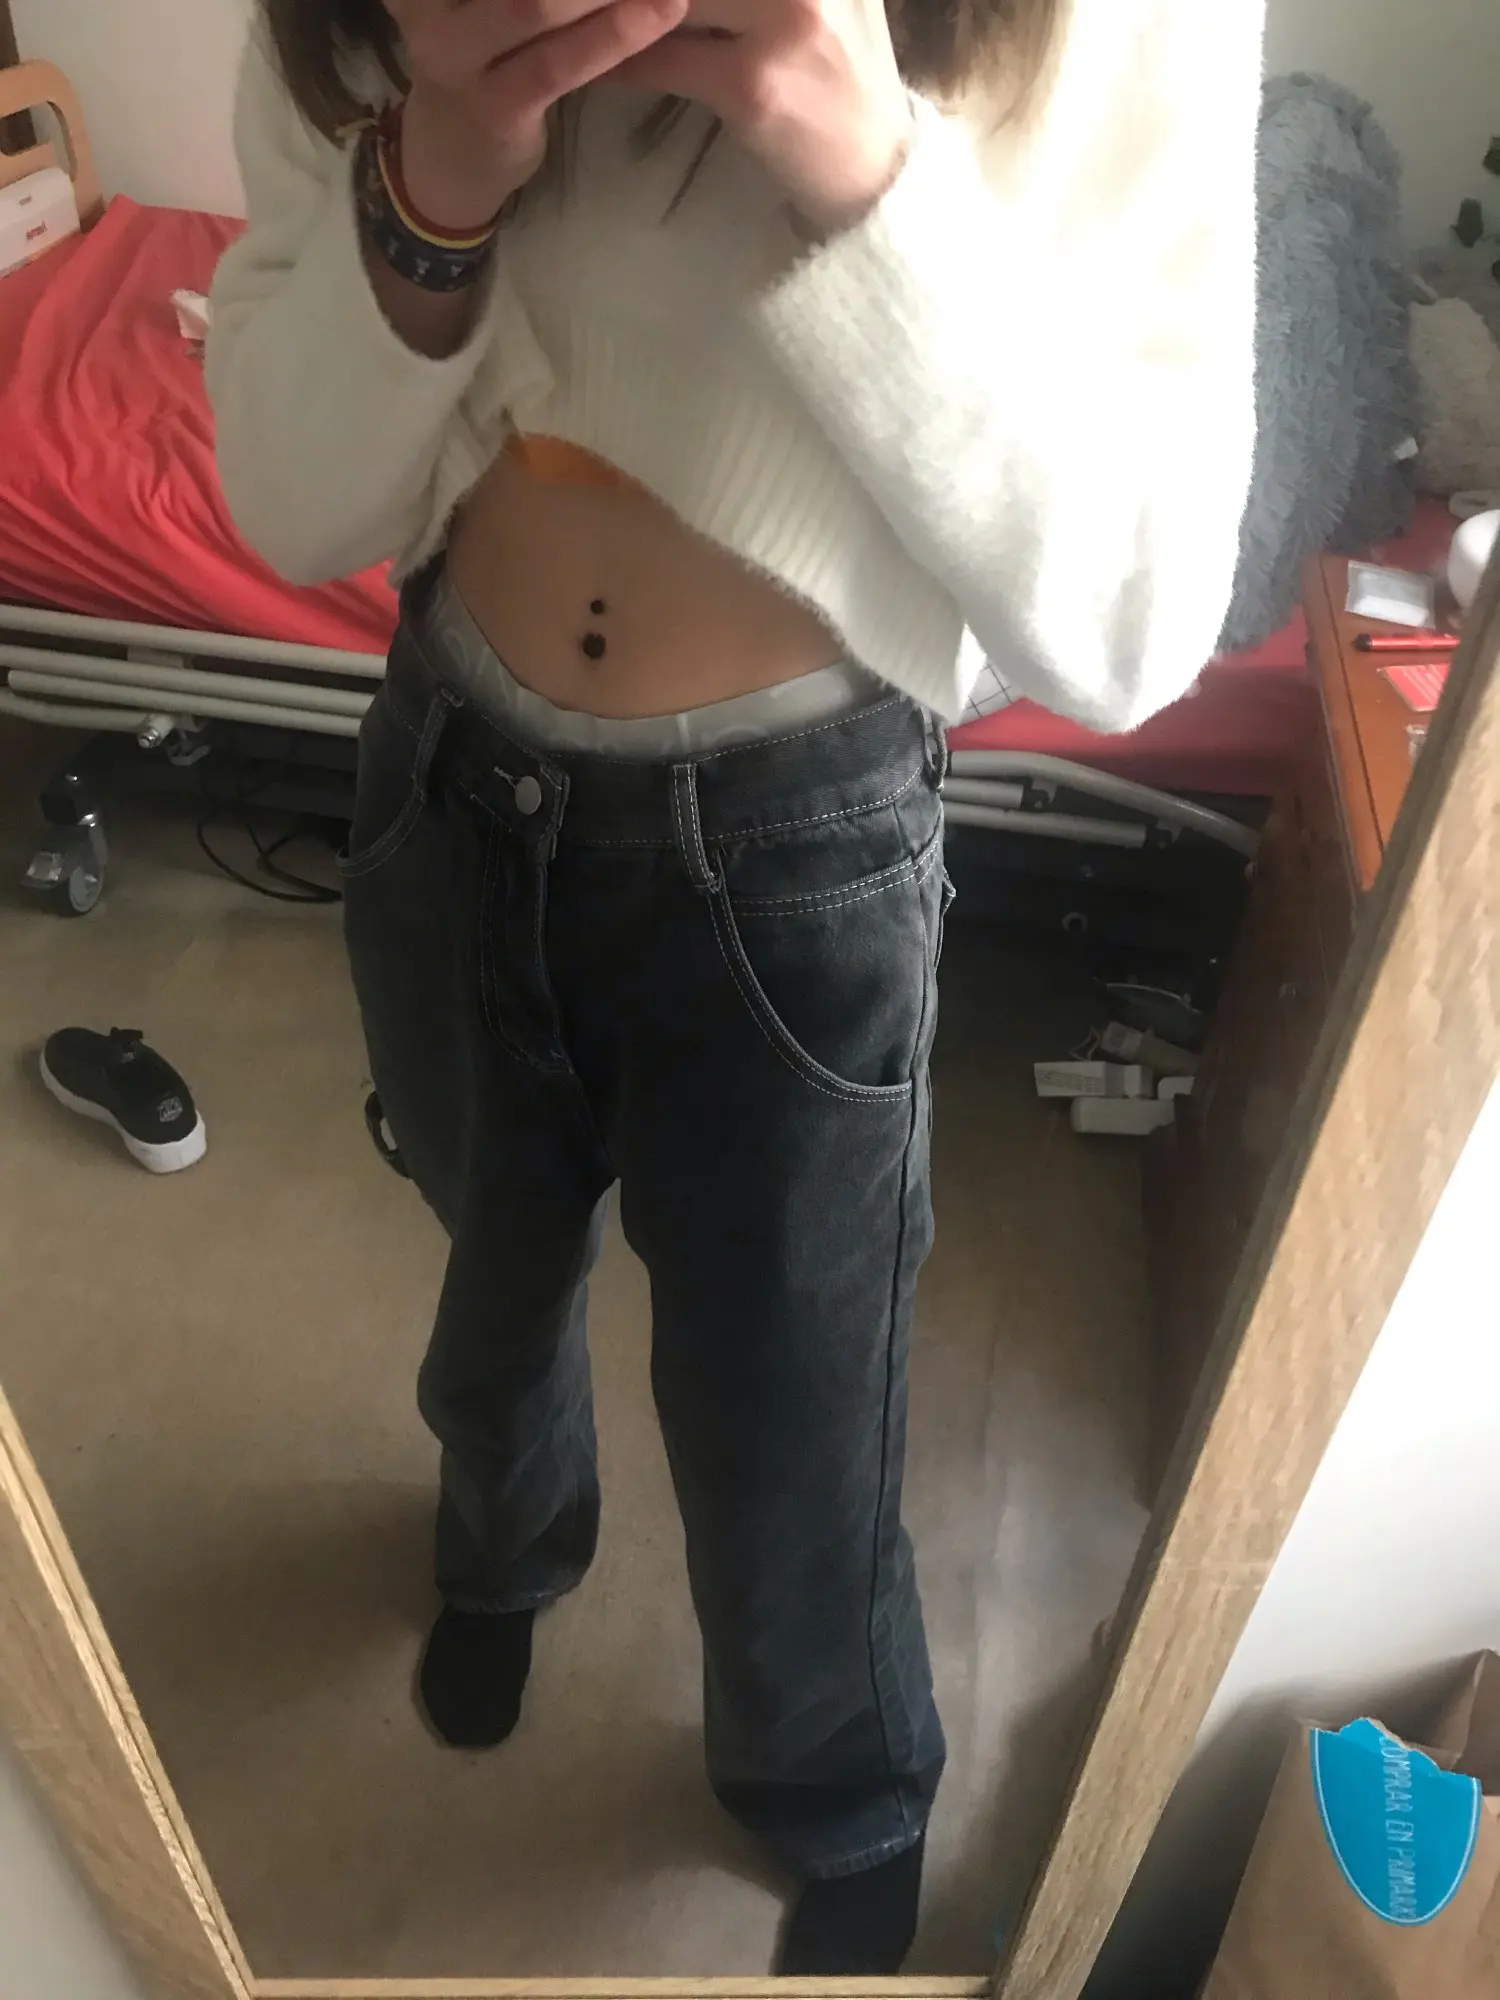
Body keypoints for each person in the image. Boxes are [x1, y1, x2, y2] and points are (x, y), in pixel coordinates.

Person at [209, 0, 1263, 1970]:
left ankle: (836, 1779)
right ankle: (504, 1550)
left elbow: (1130, 626)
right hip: (451, 770)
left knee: (797, 1397)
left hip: (800, 840)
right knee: (484, 1281)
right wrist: (436, 180)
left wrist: (849, 147)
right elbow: (286, 504)